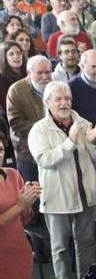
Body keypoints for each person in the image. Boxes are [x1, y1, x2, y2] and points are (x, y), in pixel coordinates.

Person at [28, 81, 96, 279]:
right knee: (60, 247)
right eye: (59, 99)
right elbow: (45, 160)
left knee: (86, 243)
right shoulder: (39, 130)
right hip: (57, 198)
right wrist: (70, 142)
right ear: (47, 102)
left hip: (86, 194)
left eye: (68, 98)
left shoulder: (81, 122)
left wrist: (94, 142)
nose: (64, 103)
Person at [7, 55, 51, 183]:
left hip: (52, 150)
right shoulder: (16, 90)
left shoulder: (54, 86)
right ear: (29, 72)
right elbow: (15, 124)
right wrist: (44, 128)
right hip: (27, 153)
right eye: (40, 73)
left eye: (48, 72)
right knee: (33, 193)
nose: (45, 77)